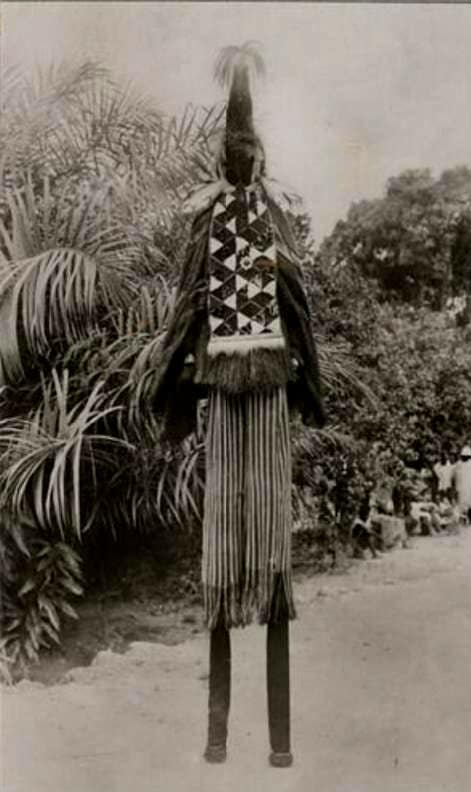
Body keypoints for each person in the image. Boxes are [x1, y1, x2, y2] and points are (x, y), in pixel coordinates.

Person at [151, 44, 325, 768]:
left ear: (259, 159)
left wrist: (308, 386)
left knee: (273, 559)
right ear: (224, 161)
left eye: (248, 155)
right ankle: (219, 738)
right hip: (224, 405)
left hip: (268, 399)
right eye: (234, 155)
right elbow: (187, 310)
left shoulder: (273, 221)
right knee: (222, 559)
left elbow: (298, 306)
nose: (242, 163)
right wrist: (175, 399)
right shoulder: (209, 224)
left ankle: (279, 745)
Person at [452, 445, 471, 524]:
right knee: (461, 504)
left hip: (469, 487)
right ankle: (462, 519)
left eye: (467, 456)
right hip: (460, 487)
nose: (465, 458)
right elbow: (454, 476)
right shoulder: (457, 465)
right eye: (464, 456)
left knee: (470, 503)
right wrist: (455, 487)